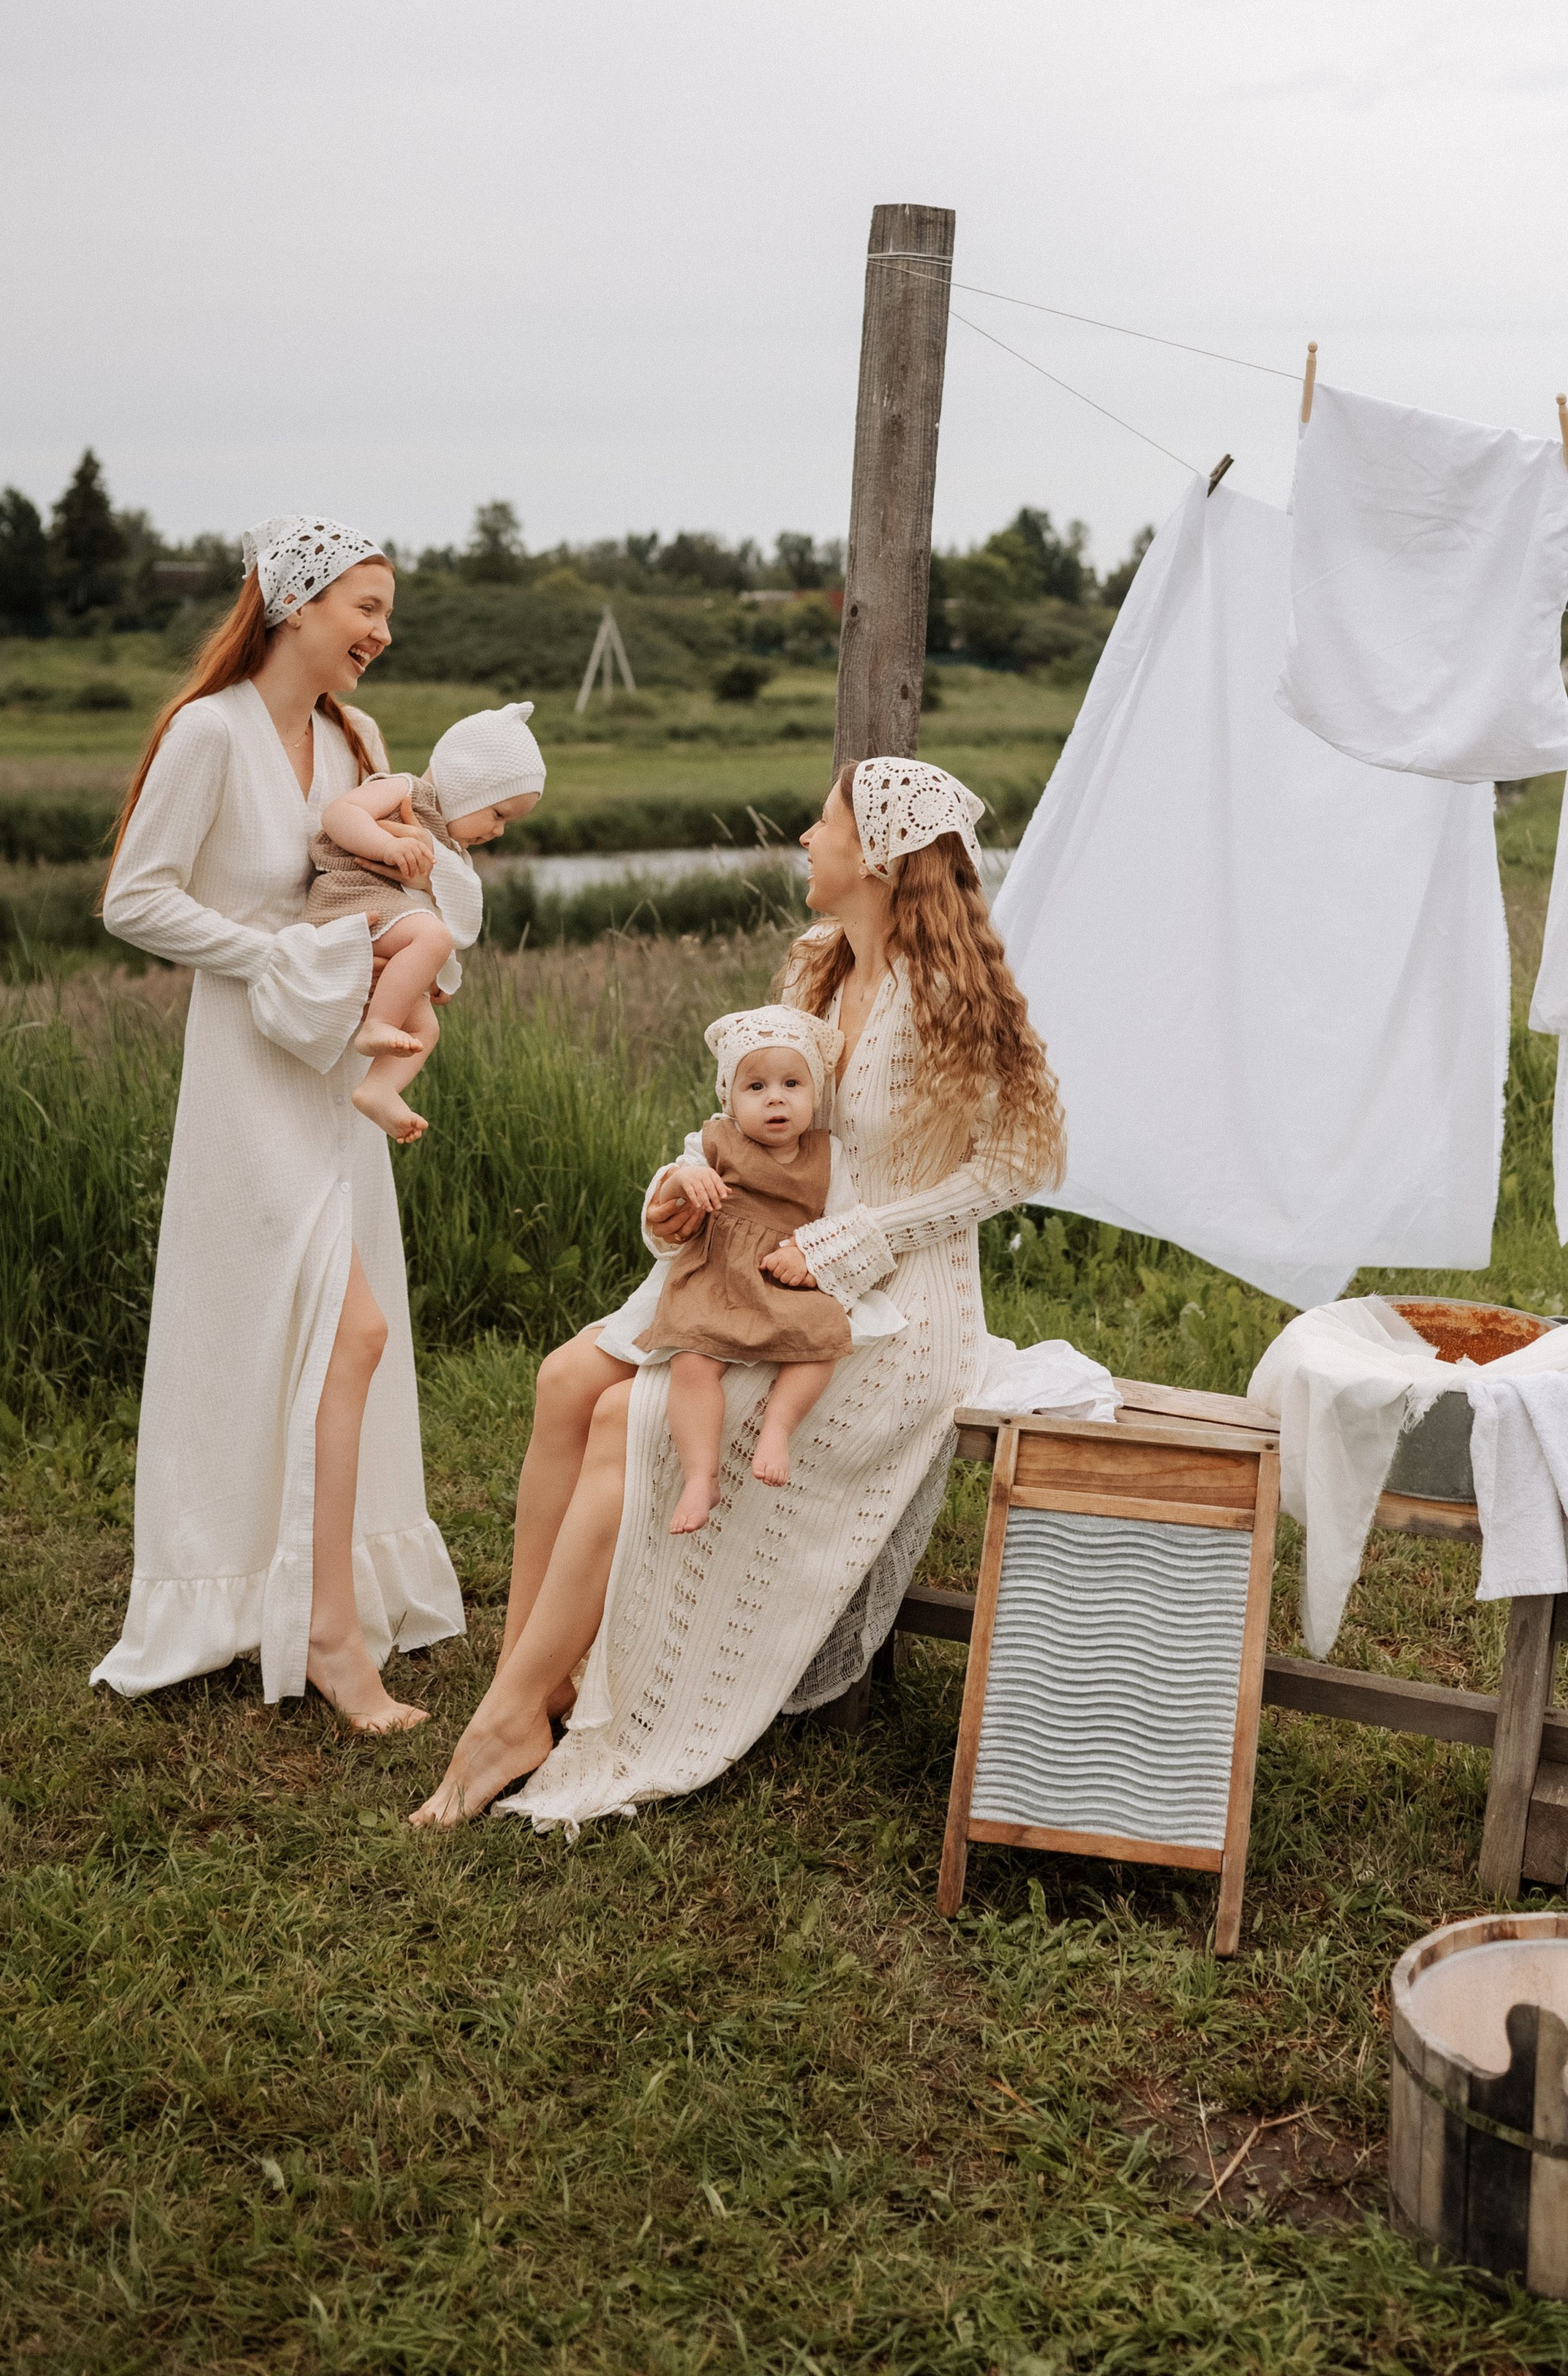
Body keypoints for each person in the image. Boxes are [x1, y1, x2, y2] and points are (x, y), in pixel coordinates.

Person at [409, 753, 1065, 1828]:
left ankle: (513, 1715)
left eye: (824, 823)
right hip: (761, 1263)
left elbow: (1012, 1170)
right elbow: (760, 1127)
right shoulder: (818, 965)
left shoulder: (945, 994)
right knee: (567, 1377)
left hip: (896, 1305)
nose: (808, 840)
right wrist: (680, 1193)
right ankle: (539, 1684)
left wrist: (854, 1244)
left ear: (882, 857)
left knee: (636, 1410)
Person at [93, 515, 464, 1735]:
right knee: (326, 1329)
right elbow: (135, 898)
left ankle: (319, 1598)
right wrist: (278, 962)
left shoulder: (357, 737)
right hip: (252, 1065)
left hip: (337, 1065)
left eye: (388, 609)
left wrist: (435, 868)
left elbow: (376, 881)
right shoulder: (209, 733)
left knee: (348, 1335)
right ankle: (319, 1634)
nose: (382, 632)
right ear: (295, 603)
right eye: (365, 605)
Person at [626, 1005, 867, 1529]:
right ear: (730, 1099)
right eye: (755, 1087)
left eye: (791, 1084)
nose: (775, 1097)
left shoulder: (831, 1156)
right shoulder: (715, 1140)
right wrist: (683, 1182)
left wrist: (808, 1251)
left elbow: (846, 1223)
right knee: (691, 1362)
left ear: (815, 1095)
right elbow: (675, 1177)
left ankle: (778, 1429)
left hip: (784, 1271)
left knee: (820, 1343)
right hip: (719, 1275)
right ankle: (700, 1477)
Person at [302, 700, 546, 1141]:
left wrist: (430, 972)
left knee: (425, 1027)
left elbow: (455, 913)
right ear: (468, 783)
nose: (499, 831)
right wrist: (384, 845)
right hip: (350, 900)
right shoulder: (405, 791)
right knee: (431, 936)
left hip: (389, 923)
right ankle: (377, 1025)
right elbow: (340, 814)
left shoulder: (453, 851)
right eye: (498, 814)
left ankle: (378, 1088)